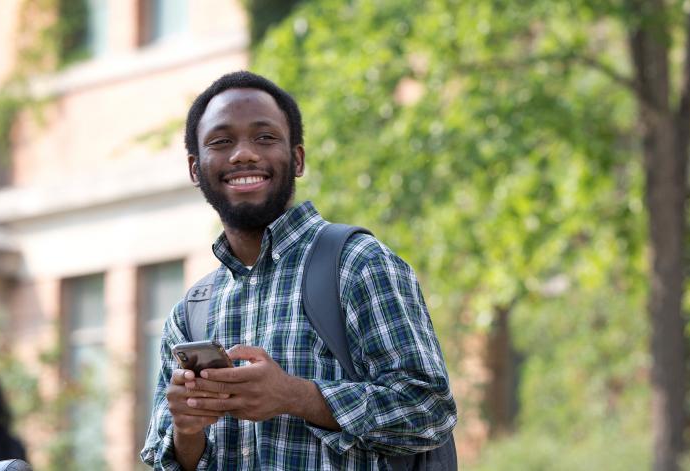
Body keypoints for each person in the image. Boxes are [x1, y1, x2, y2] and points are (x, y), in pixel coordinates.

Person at [141, 71, 457, 470]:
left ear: (298, 159)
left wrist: (295, 396)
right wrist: (188, 430)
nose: (244, 154)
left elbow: (430, 411)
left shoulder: (358, 264)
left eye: (265, 137)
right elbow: (166, 460)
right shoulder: (191, 313)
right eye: (221, 142)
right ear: (195, 169)